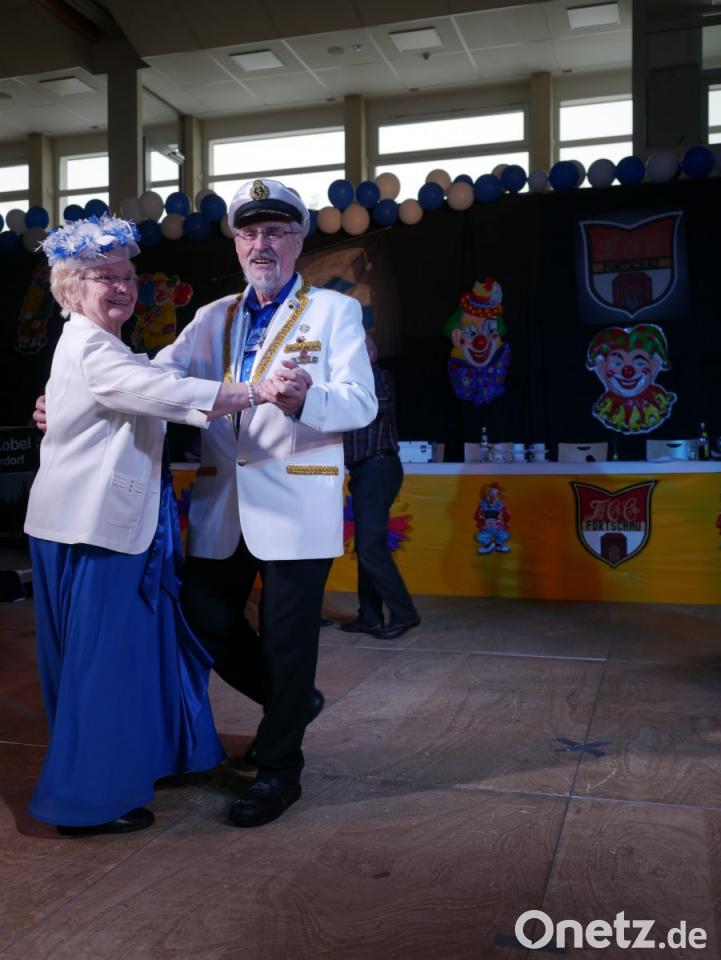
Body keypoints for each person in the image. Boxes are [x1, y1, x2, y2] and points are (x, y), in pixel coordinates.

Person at [25, 214, 284, 836]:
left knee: (133, 656)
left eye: (127, 276)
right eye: (103, 278)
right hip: (92, 531)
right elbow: (165, 394)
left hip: (106, 527)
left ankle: (157, 758)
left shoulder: (101, 347)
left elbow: (146, 380)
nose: (121, 287)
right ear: (71, 289)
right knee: (101, 668)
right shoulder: (91, 348)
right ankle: (85, 804)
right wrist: (258, 390)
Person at [154, 178, 377, 827]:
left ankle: (280, 771)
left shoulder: (334, 312)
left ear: (298, 241)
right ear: (236, 244)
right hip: (222, 505)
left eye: (276, 232)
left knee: (287, 642)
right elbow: (155, 376)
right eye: (250, 232)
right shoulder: (212, 316)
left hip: (296, 500)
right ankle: (292, 702)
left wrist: (307, 397)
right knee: (202, 618)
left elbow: (361, 404)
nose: (262, 244)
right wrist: (78, 397)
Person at [340, 334, 420, 640]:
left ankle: (405, 614)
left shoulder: (376, 377)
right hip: (365, 471)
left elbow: (371, 407)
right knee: (367, 545)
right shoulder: (350, 384)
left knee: (370, 547)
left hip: (378, 467)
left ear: (369, 354)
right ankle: (370, 616)